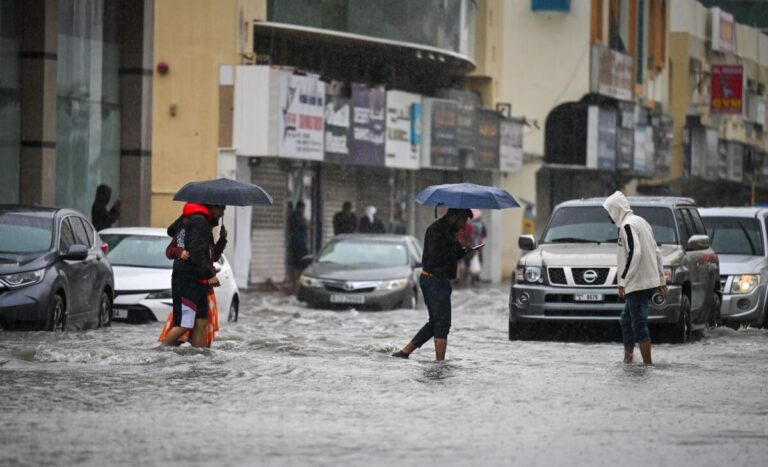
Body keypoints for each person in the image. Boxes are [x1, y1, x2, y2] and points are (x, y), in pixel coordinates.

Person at [392, 208, 473, 361]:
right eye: (463, 220)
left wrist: (464, 249)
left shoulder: (450, 231)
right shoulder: (435, 230)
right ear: (455, 216)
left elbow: (453, 255)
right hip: (433, 280)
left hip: (441, 281)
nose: (463, 225)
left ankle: (405, 352)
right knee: (442, 323)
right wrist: (457, 244)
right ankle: (440, 364)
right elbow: (437, 257)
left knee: (436, 321)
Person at [603, 191, 667, 365]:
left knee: (638, 324)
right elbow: (656, 251)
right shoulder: (641, 221)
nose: (607, 215)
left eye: (608, 211)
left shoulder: (627, 225)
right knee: (626, 320)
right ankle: (628, 360)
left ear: (615, 209)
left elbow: (635, 253)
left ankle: (647, 365)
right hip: (645, 281)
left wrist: (623, 281)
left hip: (638, 283)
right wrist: (661, 280)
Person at [161, 203, 225, 348]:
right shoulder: (198, 222)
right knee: (185, 324)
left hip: (199, 281)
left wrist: (222, 239)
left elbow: (211, 256)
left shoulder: (201, 226)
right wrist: (209, 275)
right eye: (221, 209)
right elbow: (196, 252)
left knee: (201, 322)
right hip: (188, 280)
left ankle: (198, 357)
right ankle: (159, 353)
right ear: (212, 207)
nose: (222, 214)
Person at [288, 201, 309, 287]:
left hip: (302, 244)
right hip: (296, 244)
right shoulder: (294, 217)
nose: (303, 210)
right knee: (296, 265)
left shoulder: (301, 217)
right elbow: (298, 227)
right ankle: (295, 283)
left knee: (303, 264)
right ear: (299, 208)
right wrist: (306, 226)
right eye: (302, 209)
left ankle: (299, 282)